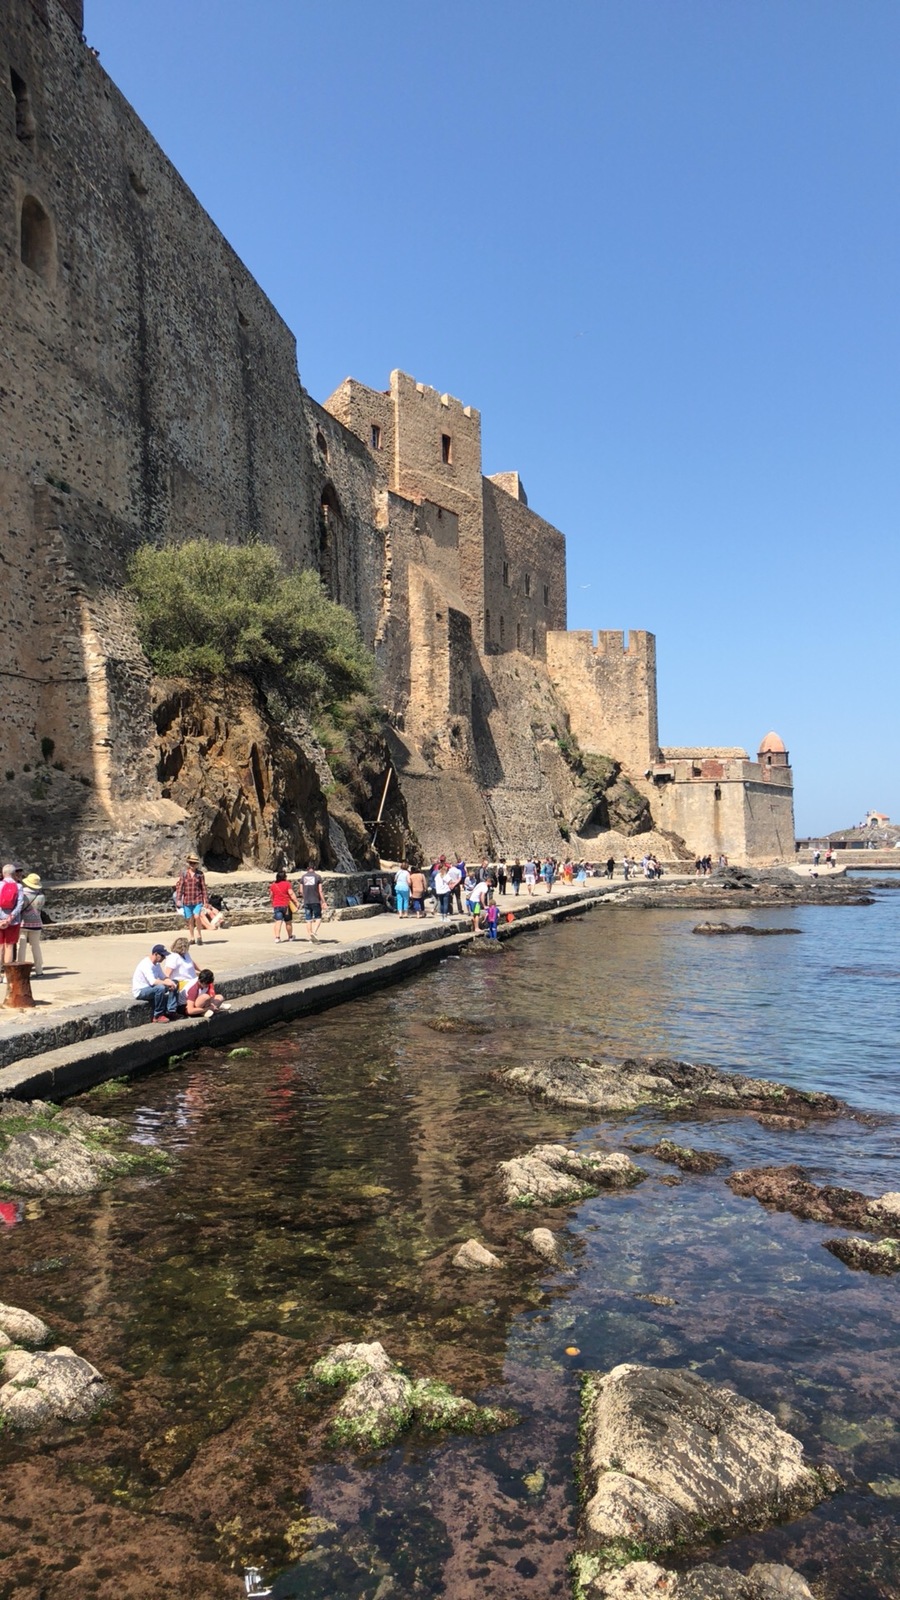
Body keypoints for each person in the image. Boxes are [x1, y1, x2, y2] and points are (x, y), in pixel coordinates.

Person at [132, 943, 178, 1022]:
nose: (164, 958)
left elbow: (163, 977)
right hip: (141, 990)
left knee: (175, 982)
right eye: (163, 956)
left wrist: (170, 982)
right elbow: (153, 981)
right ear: (156, 954)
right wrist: (167, 983)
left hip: (151, 988)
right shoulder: (146, 964)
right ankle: (158, 1015)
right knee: (160, 988)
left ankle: (171, 1011)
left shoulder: (156, 964)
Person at [174, 852, 208, 945]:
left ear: (197, 864)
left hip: (198, 899)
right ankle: (192, 937)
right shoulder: (184, 874)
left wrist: (206, 901)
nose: (192, 865)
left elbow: (203, 887)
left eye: (194, 863)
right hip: (187, 900)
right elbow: (180, 887)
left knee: (197, 916)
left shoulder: (200, 874)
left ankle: (199, 936)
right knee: (190, 919)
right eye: (191, 863)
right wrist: (178, 899)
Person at [18, 873, 45, 976]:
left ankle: (21, 969)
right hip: (37, 923)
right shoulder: (41, 896)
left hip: (23, 923)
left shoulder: (23, 895)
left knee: (21, 946)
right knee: (36, 946)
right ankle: (39, 970)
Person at [163, 936, 198, 1009]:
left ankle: (209, 1003)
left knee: (207, 979)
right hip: (182, 983)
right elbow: (167, 974)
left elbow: (192, 963)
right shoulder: (173, 957)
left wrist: (201, 971)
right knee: (202, 982)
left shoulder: (186, 954)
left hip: (191, 980)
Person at [0, 865, 23, 972]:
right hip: (13, 922)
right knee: (9, 947)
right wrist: (9, 919)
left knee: (0, 946)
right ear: (14, 874)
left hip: (0, 920)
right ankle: (7, 974)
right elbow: (20, 904)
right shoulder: (19, 887)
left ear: (3, 873)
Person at [299, 864, 327, 941]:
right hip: (315, 900)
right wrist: (323, 901)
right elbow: (320, 891)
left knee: (308, 919)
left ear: (307, 869)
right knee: (318, 917)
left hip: (306, 901)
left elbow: (301, 891)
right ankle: (314, 932)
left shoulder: (303, 877)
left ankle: (310, 936)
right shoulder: (318, 877)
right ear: (314, 868)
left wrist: (305, 897)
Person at [269, 870, 298, 942]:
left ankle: (277, 937)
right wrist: (296, 902)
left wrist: (273, 903)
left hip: (277, 905)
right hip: (286, 905)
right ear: (284, 877)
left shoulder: (273, 885)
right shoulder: (287, 884)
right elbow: (291, 893)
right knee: (288, 922)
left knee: (278, 922)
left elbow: (271, 896)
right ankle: (290, 937)